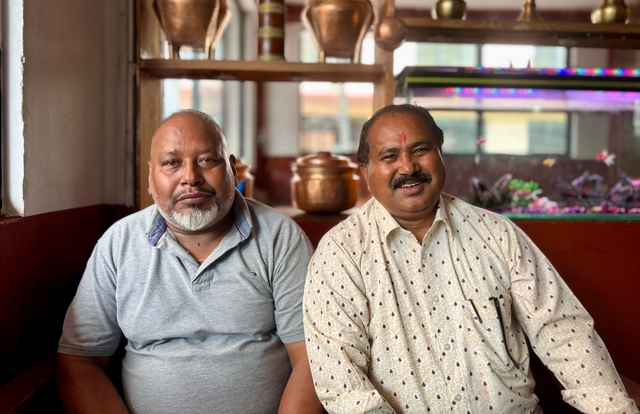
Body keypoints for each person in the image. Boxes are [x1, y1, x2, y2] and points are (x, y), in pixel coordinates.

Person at [303, 104, 638, 414]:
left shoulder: (496, 234)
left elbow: (563, 332)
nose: (408, 167)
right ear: (366, 169)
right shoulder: (342, 253)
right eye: (390, 155)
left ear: (440, 154)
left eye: (420, 150)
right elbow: (343, 385)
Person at [58, 109, 324, 414]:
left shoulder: (279, 237)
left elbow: (311, 358)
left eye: (207, 160)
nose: (190, 178)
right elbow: (81, 361)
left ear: (232, 169)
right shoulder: (118, 244)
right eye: (172, 163)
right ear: (150, 178)